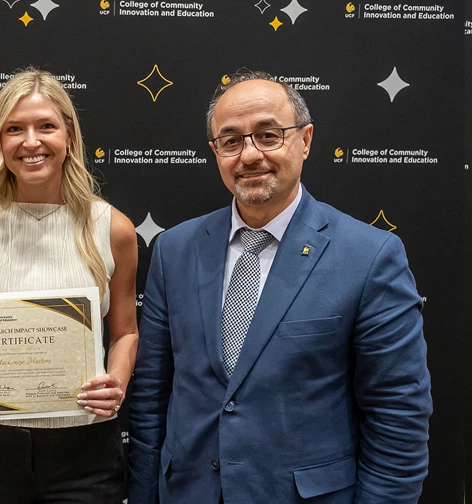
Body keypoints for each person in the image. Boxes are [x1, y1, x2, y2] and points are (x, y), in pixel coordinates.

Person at [128, 71, 432, 503]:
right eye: (231, 141)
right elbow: (151, 399)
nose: (250, 155)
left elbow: (398, 415)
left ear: (305, 140)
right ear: (215, 151)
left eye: (268, 135)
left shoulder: (369, 256)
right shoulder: (174, 250)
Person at [0, 68, 139, 504]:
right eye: (14, 129)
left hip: (86, 452)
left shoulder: (113, 228)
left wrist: (116, 383)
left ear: (69, 135)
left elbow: (125, 332)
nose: (31, 142)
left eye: (46, 126)